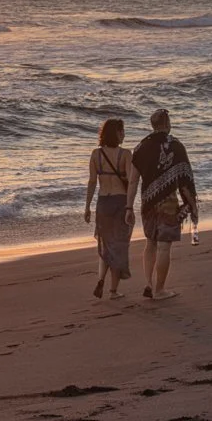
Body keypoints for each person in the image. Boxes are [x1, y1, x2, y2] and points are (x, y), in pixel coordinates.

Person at [126, 108, 198, 300]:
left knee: (150, 243)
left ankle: (149, 284)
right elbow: (185, 180)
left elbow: (133, 181)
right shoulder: (176, 146)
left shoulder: (140, 147)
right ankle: (159, 290)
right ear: (167, 123)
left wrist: (128, 207)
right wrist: (192, 205)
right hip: (168, 202)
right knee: (164, 246)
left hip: (147, 202)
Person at [84, 118, 134, 299]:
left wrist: (87, 207)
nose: (124, 135)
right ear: (117, 133)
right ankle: (113, 291)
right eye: (122, 131)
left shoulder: (96, 154)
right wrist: (130, 207)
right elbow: (131, 182)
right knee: (118, 246)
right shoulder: (126, 154)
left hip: (103, 202)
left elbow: (92, 182)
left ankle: (100, 280)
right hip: (120, 202)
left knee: (105, 246)